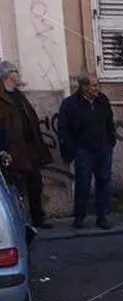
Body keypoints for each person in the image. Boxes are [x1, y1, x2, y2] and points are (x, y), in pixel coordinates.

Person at [58, 74, 117, 229]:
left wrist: (111, 142)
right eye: (93, 85)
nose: (97, 88)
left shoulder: (102, 100)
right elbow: (63, 129)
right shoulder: (70, 104)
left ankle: (102, 216)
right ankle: (79, 216)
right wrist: (74, 149)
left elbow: (109, 121)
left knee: (104, 181)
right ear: (83, 87)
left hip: (103, 148)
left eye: (97, 85)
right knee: (83, 184)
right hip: (83, 150)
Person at [0, 61, 54, 229]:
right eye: (15, 71)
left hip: (30, 148)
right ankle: (20, 222)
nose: (18, 74)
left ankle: (38, 218)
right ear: (8, 76)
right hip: (13, 150)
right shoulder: (2, 98)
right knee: (16, 189)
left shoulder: (19, 95)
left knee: (35, 184)